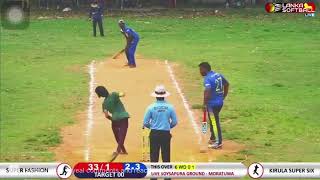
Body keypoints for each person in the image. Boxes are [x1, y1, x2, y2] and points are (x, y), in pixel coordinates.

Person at [143, 85, 178, 180]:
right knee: (166, 156)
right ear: (165, 95)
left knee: (154, 156)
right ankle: (167, 178)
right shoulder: (170, 107)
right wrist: (167, 127)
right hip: (165, 134)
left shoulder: (150, 107)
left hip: (154, 134)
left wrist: (153, 127)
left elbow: (145, 122)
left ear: (155, 96)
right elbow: (174, 122)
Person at [199, 62, 229, 149]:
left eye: (201, 69)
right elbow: (226, 84)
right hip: (219, 103)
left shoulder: (207, 79)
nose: (200, 72)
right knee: (213, 120)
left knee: (214, 122)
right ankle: (213, 138)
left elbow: (207, 90)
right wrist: (223, 96)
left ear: (205, 69)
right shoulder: (218, 75)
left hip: (212, 105)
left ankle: (218, 143)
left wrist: (204, 104)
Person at [95, 86, 129, 160]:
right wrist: (121, 93)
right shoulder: (114, 94)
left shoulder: (104, 104)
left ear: (100, 95)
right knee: (122, 135)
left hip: (114, 120)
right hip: (124, 117)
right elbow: (123, 94)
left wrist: (112, 119)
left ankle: (123, 151)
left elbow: (106, 115)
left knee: (118, 137)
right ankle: (117, 151)